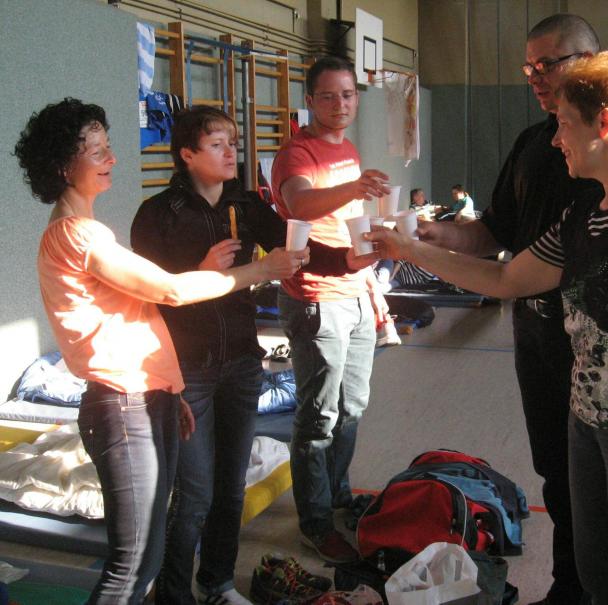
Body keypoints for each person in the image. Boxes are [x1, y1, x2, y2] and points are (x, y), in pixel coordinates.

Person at [369, 50, 608, 605]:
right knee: (596, 577)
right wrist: (408, 250)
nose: (555, 139)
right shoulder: (583, 215)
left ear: (605, 123)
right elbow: (505, 278)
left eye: (565, 124)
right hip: (588, 422)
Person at [414, 14, 608, 605]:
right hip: (540, 337)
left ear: (592, 62)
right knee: (561, 472)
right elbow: (498, 240)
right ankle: (572, 586)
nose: (536, 77)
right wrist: (433, 239)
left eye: (549, 64)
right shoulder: (535, 144)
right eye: (529, 67)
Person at [14, 98, 307, 605]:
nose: (112, 158)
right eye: (97, 151)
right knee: (132, 567)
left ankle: (210, 584)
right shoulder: (78, 236)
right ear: (63, 166)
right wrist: (261, 269)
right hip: (122, 404)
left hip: (148, 395)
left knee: (144, 559)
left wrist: (170, 388)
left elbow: (139, 317)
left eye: (108, 147)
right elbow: (169, 292)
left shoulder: (87, 231)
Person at [130, 106, 375, 605]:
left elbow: (298, 247)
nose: (231, 152)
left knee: (230, 488)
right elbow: (147, 296)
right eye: (217, 144)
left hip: (242, 361)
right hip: (188, 369)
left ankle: (217, 583)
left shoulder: (244, 206)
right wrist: (202, 271)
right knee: (194, 495)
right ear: (187, 154)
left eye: (233, 142)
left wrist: (347, 260)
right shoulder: (158, 215)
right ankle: (172, 596)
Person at [270, 55, 391, 563]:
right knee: (318, 415)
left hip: (355, 289)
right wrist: (354, 187)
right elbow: (300, 204)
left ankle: (338, 496)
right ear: (310, 100)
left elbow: (345, 218)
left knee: (353, 405)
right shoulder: (296, 152)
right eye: (328, 96)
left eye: (347, 94)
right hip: (316, 298)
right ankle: (316, 521)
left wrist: (371, 265)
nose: (340, 104)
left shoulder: (347, 148)